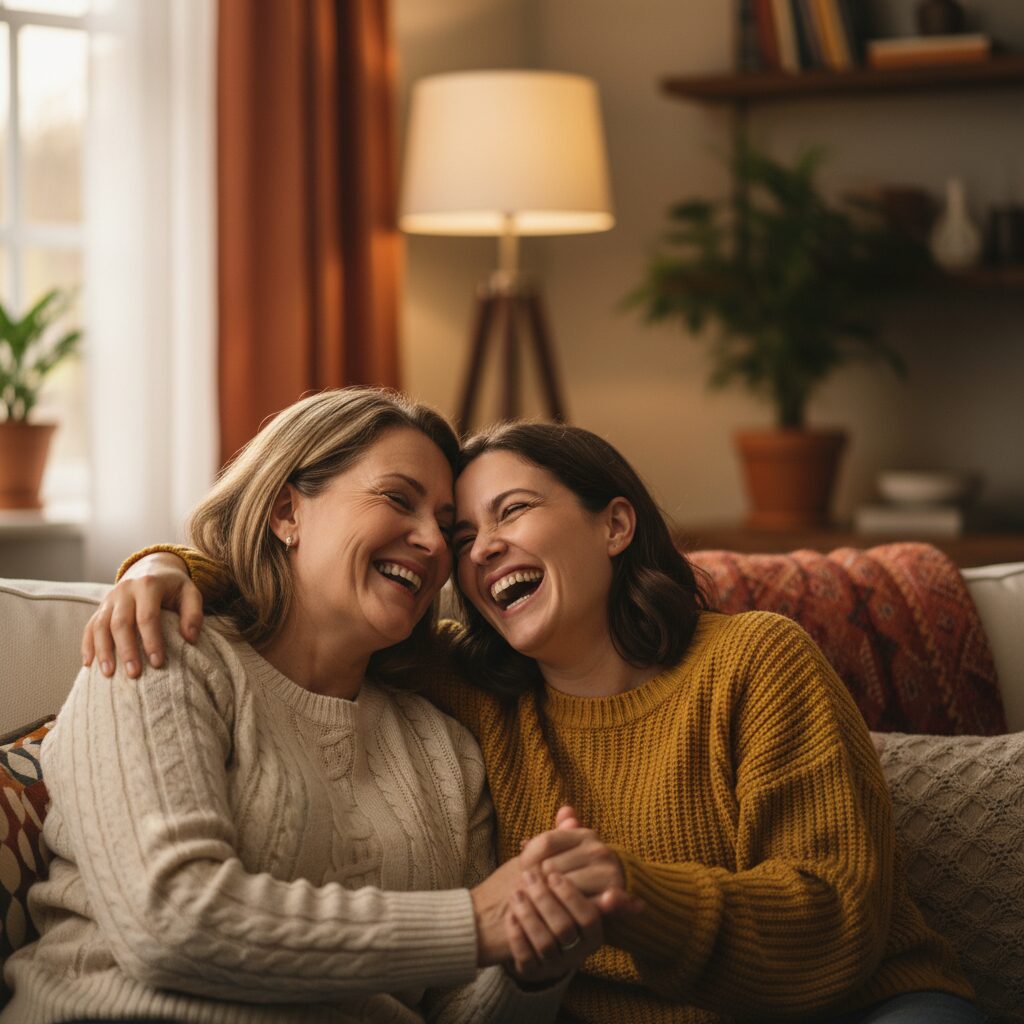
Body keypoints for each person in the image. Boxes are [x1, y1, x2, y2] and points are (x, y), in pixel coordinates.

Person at [82, 418, 984, 1024]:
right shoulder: (468, 690)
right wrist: (161, 571)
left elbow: (838, 930)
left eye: (508, 512)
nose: (461, 550)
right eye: (463, 535)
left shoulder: (755, 659)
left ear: (615, 525)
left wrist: (620, 895)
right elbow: (316, 602)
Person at [3, 391, 634, 1024]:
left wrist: (530, 965)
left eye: (447, 527)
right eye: (397, 498)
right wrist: (474, 922)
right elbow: (170, 920)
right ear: (285, 511)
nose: (436, 545)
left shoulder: (447, 750)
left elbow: (454, 1010)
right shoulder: (161, 649)